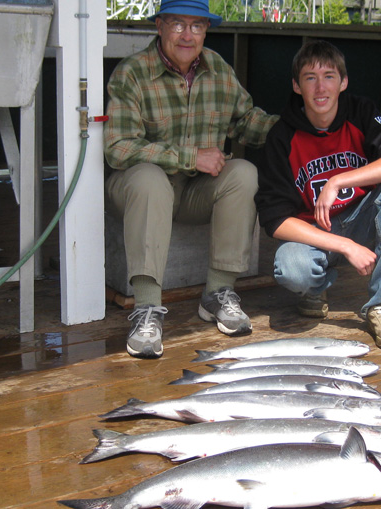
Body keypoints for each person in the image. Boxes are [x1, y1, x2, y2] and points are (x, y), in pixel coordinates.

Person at [104, 0, 278, 359]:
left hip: (194, 194)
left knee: (244, 172)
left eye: (197, 26)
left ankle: (217, 294)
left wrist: (300, 125)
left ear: (206, 31)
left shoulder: (218, 68)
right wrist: (189, 157)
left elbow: (247, 122)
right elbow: (117, 148)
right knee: (151, 179)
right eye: (178, 24)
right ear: (159, 27)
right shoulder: (132, 72)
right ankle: (147, 309)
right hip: (138, 191)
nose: (187, 34)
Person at [255, 40, 381, 350]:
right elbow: (274, 219)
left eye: (329, 76)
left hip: (363, 220)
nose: (320, 88)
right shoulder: (281, 136)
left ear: (343, 82)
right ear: (296, 85)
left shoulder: (361, 113)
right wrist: (344, 246)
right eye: (310, 78)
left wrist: (338, 181)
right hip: (317, 234)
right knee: (290, 268)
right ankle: (315, 288)